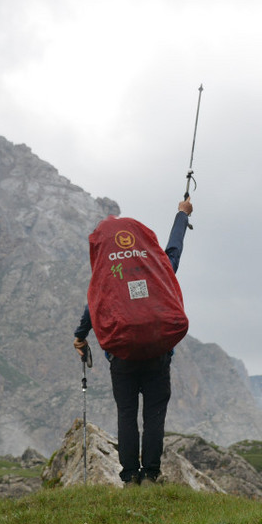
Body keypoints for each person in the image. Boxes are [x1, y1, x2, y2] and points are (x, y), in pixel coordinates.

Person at [74, 198, 193, 484]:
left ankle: (129, 476)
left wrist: (80, 336)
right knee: (154, 414)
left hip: (123, 359)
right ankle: (150, 473)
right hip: (157, 355)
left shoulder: (108, 278)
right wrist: (182, 214)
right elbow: (174, 249)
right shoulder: (158, 269)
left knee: (126, 414)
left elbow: (93, 307)